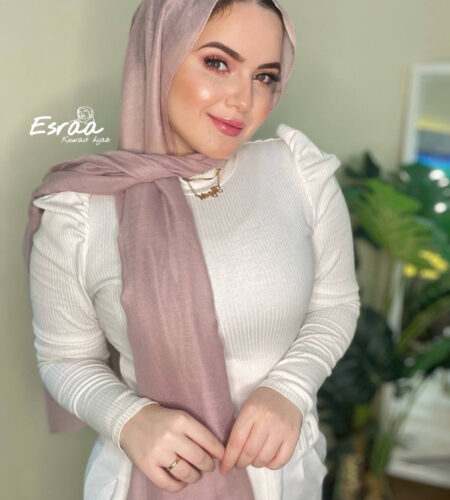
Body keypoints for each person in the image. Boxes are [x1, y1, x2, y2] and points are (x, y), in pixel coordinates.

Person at [23, 0, 360, 499]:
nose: (243, 100)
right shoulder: (79, 211)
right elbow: (64, 357)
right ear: (159, 54)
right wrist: (128, 418)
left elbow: (335, 304)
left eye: (264, 76)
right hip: (142, 482)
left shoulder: (300, 176)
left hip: (284, 477)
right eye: (218, 63)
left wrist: (289, 388)